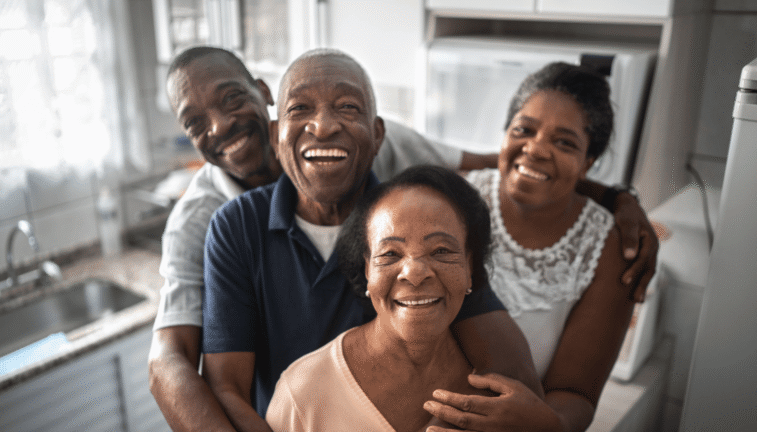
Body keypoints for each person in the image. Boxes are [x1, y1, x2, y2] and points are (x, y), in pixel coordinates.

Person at [149, 46, 657, 431]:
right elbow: (189, 370)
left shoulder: (408, 207)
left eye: (347, 109)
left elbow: (512, 162)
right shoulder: (222, 223)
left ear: (378, 137)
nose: (323, 125)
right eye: (301, 110)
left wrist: (617, 199)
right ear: (281, 130)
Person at [424, 62, 639, 432]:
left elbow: (576, 396)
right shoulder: (451, 200)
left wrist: (542, 423)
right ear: (505, 134)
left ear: (589, 163)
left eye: (564, 142)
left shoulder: (607, 247)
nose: (536, 150)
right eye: (524, 130)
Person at [265, 165, 501, 431]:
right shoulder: (303, 394)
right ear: (367, 269)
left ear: (470, 267)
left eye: (441, 250)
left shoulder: (497, 396)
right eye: (390, 254)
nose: (414, 274)